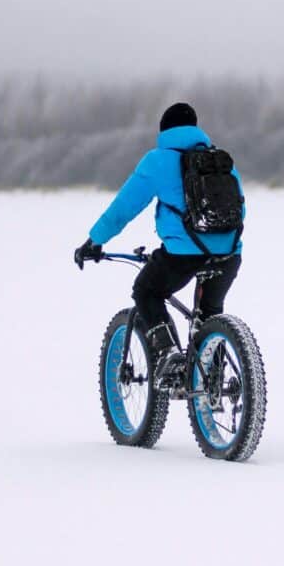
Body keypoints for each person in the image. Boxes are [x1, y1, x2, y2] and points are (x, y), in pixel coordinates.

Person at [74, 102, 244, 386]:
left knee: (147, 290)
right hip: (228, 255)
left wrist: (94, 240)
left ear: (165, 130)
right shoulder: (220, 161)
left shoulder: (158, 160)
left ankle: (168, 354)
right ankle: (212, 376)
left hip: (183, 255)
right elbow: (240, 208)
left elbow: (123, 209)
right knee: (209, 313)